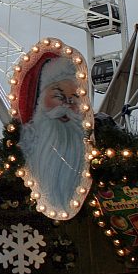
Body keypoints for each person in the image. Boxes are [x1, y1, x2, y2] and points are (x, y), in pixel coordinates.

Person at [18, 55, 86, 215]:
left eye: (74, 99)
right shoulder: (26, 145)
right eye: (58, 96)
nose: (66, 105)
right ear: (39, 99)